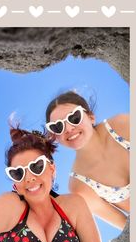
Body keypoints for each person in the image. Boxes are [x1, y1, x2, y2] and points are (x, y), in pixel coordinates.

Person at [45, 91, 129, 230]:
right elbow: (126, 227)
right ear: (55, 136)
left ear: (91, 117)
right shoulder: (80, 186)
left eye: (74, 117)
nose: (69, 128)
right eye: (58, 127)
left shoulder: (122, 125)